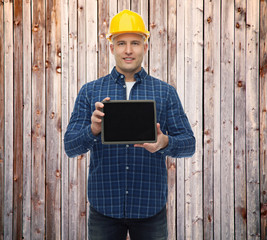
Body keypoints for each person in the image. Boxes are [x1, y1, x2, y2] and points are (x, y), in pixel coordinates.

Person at [64, 9, 195, 240]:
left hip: (150, 208)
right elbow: (70, 146)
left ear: (145, 47)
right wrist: (92, 130)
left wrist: (164, 142)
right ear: (111, 47)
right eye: (121, 42)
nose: (128, 50)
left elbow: (189, 144)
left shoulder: (165, 92)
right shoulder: (90, 91)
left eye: (135, 43)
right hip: (104, 207)